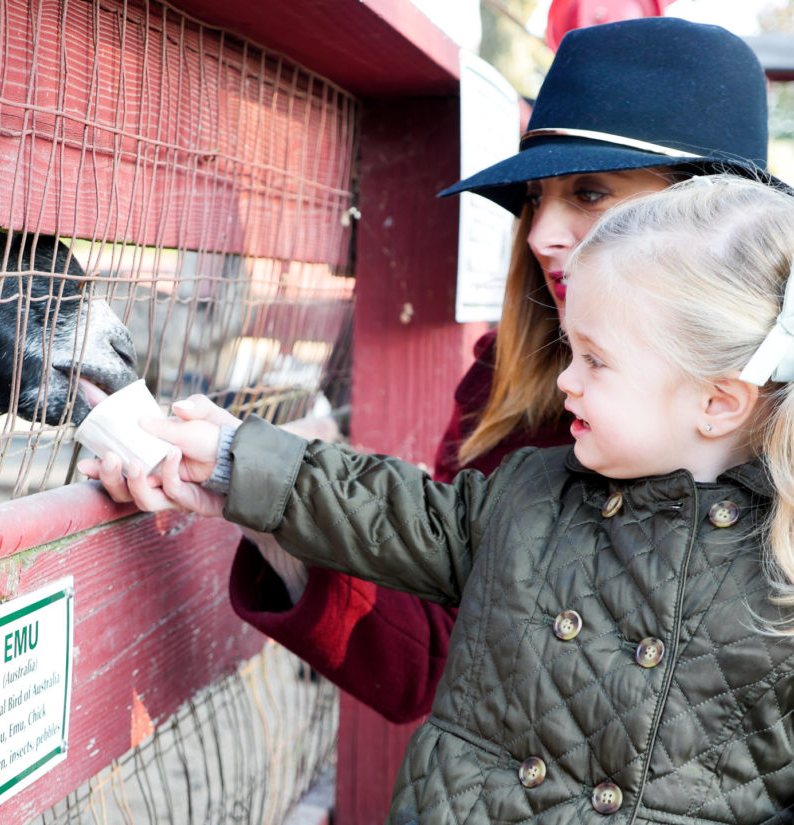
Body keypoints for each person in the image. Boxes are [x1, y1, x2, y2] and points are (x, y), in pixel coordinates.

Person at [81, 15, 789, 725]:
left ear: (714, 216)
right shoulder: (512, 382)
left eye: (591, 192)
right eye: (535, 199)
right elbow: (435, 652)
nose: (540, 232)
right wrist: (259, 506)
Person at [85, 174, 794, 821]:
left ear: (717, 399)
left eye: (596, 361)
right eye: (570, 351)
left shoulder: (782, 582)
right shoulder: (534, 495)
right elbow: (395, 510)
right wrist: (241, 459)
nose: (565, 381)